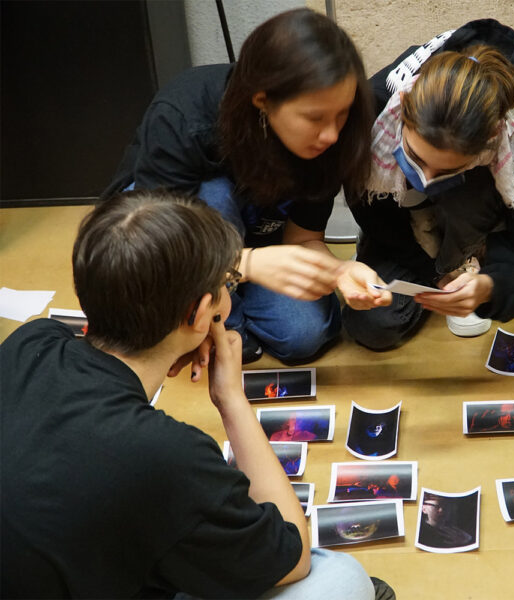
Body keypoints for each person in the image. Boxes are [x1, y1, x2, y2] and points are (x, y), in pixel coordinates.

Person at [0, 191, 386, 599]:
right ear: (201, 313)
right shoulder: (167, 454)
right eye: (228, 283)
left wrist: (177, 341)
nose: (229, 291)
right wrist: (231, 399)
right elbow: (293, 557)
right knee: (340, 578)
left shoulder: (31, 341)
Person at [104, 8, 390, 365]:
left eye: (342, 113)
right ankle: (217, 318)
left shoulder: (330, 142)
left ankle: (218, 310)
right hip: (166, 244)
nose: (331, 134)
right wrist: (247, 263)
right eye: (314, 118)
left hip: (253, 240)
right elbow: (152, 242)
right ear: (262, 100)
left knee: (305, 335)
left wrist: (340, 271)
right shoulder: (184, 116)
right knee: (216, 195)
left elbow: (302, 239)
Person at [343, 19, 514, 349]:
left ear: (492, 141)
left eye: (445, 168)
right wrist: (434, 275)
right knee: (375, 325)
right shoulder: (374, 110)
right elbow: (372, 214)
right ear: (403, 108)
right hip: (407, 218)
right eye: (416, 156)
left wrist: (489, 288)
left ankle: (489, 235)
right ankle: (451, 252)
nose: (426, 177)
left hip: (480, 202)